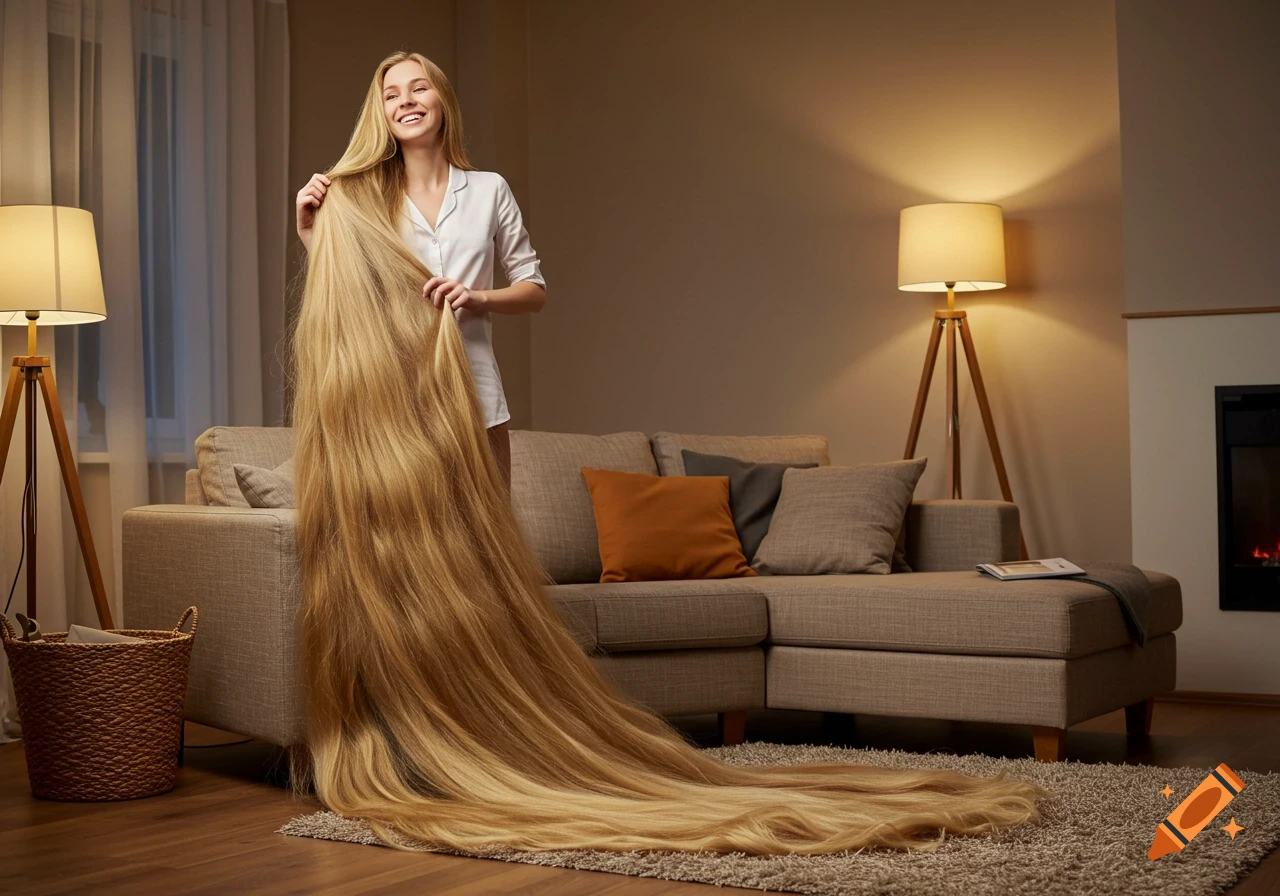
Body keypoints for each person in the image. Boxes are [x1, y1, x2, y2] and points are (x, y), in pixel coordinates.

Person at [295, 54, 545, 491]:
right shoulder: (364, 201)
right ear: (383, 115)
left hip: (477, 389)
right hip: (396, 394)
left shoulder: (489, 190)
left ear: (443, 99)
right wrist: (312, 237)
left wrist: (476, 296)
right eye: (391, 95)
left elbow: (533, 290)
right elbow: (351, 291)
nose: (405, 101)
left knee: (489, 537)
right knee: (417, 539)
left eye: (419, 88)